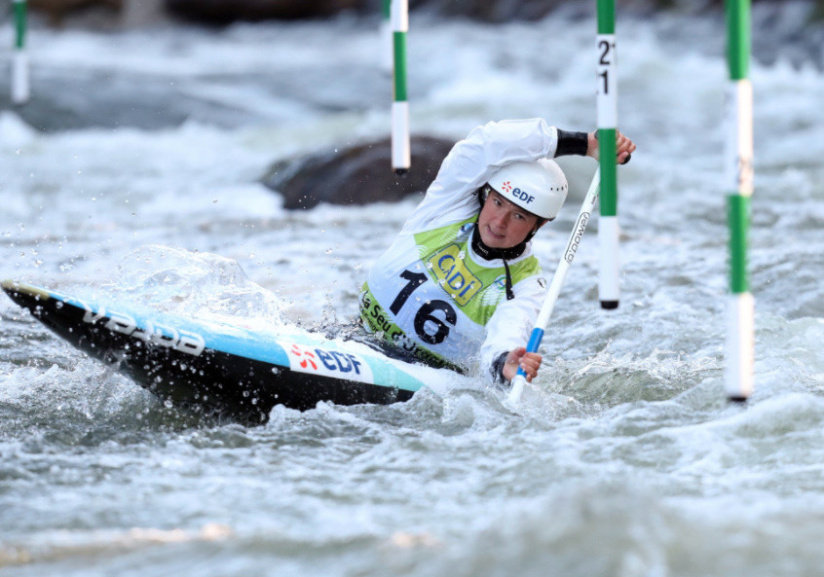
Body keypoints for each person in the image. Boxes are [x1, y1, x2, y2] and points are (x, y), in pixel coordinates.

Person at [359, 118, 635, 385]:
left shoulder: (525, 287)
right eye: (498, 203)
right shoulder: (448, 206)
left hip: (419, 378)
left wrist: (505, 363)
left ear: (540, 225)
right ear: (486, 194)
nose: (499, 222)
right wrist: (584, 144)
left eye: (519, 216)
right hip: (358, 336)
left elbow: (509, 332)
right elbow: (489, 142)